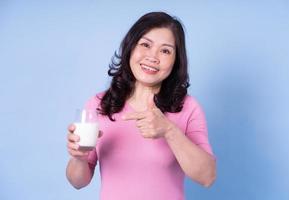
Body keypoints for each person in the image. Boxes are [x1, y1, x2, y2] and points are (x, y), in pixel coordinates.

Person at [66, 11, 216, 200]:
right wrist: (78, 158)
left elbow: (208, 177)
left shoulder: (187, 108)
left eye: (165, 51)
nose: (153, 57)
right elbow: (78, 182)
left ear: (176, 61)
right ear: (130, 48)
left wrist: (169, 131)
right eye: (145, 45)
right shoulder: (99, 104)